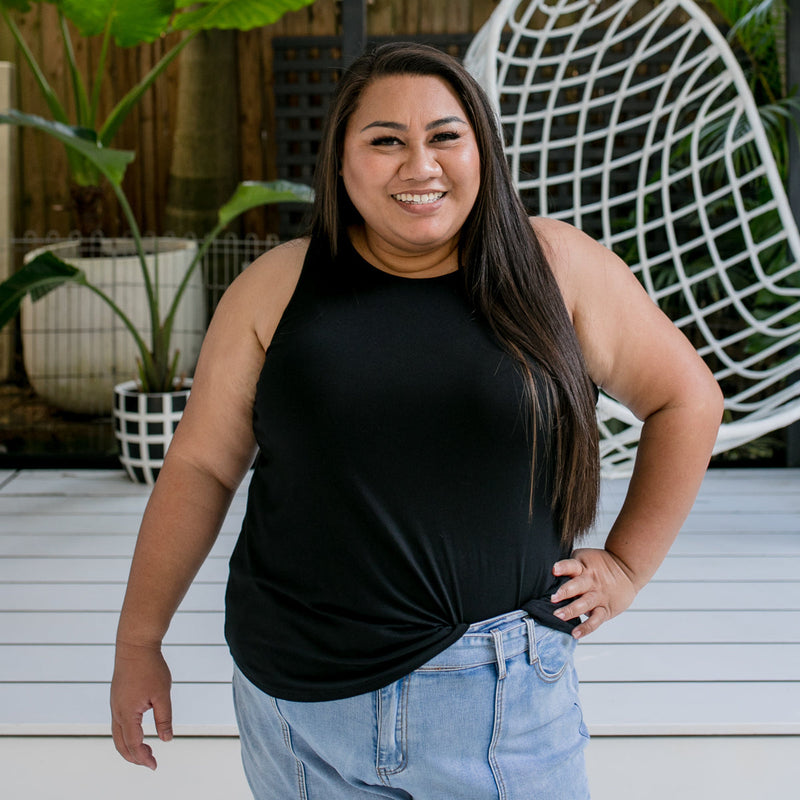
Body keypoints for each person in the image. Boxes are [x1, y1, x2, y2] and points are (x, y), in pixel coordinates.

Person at [110, 42, 723, 799]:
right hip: (296, 706)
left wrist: (627, 566)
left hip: (498, 707)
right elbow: (200, 466)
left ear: (482, 151)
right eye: (385, 141)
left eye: (443, 136)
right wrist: (139, 639)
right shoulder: (275, 286)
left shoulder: (558, 267)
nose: (419, 166)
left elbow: (688, 399)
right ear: (340, 161)